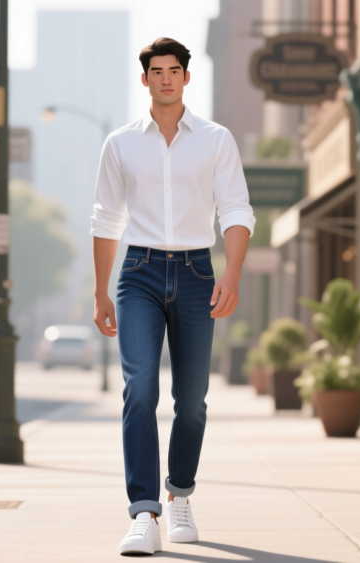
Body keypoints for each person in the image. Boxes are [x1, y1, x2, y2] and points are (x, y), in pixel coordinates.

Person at [91, 37, 255, 556]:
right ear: (144, 80)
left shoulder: (215, 139)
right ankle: (144, 512)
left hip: (196, 273)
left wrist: (231, 275)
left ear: (187, 77)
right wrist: (101, 291)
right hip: (137, 271)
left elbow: (236, 211)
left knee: (192, 402)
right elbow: (105, 219)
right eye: (155, 71)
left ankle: (179, 494)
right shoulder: (120, 142)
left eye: (173, 70)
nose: (165, 78)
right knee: (140, 390)